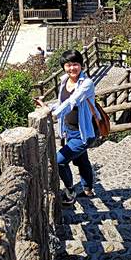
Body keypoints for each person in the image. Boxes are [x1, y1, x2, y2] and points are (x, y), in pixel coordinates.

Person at [35, 49, 95, 205]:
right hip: (69, 130)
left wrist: (52, 114)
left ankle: (70, 191)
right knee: (82, 160)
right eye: (68, 65)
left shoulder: (86, 84)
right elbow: (62, 102)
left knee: (59, 161)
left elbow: (73, 101)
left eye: (75, 64)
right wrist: (48, 106)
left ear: (81, 65)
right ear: (64, 66)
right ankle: (87, 188)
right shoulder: (64, 81)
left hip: (83, 133)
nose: (72, 68)